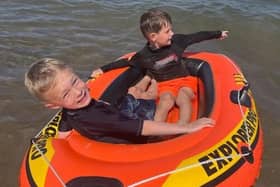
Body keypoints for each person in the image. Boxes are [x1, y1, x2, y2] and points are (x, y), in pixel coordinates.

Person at [25, 58, 215, 144]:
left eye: (75, 81)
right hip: (127, 122)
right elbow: (145, 128)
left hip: (113, 110)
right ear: (53, 105)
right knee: (152, 98)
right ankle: (156, 78)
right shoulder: (98, 118)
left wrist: (60, 141)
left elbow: (64, 126)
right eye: (66, 94)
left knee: (132, 94)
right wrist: (188, 128)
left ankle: (147, 76)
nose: (78, 92)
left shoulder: (70, 109)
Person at [91, 8, 229, 125]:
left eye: (171, 30)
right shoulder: (144, 55)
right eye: (167, 31)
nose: (172, 34)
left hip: (184, 80)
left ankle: (183, 128)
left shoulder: (177, 42)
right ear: (153, 37)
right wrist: (103, 69)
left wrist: (218, 34)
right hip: (165, 84)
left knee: (183, 98)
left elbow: (197, 36)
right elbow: (126, 62)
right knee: (164, 101)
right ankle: (156, 131)